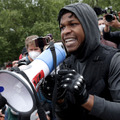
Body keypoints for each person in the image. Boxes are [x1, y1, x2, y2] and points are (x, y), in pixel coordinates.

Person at [40, 3, 120, 120]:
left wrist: (86, 99)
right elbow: (65, 116)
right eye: (62, 27)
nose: (65, 32)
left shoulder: (114, 59)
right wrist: (59, 100)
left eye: (73, 24)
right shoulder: (66, 64)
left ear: (89, 26)